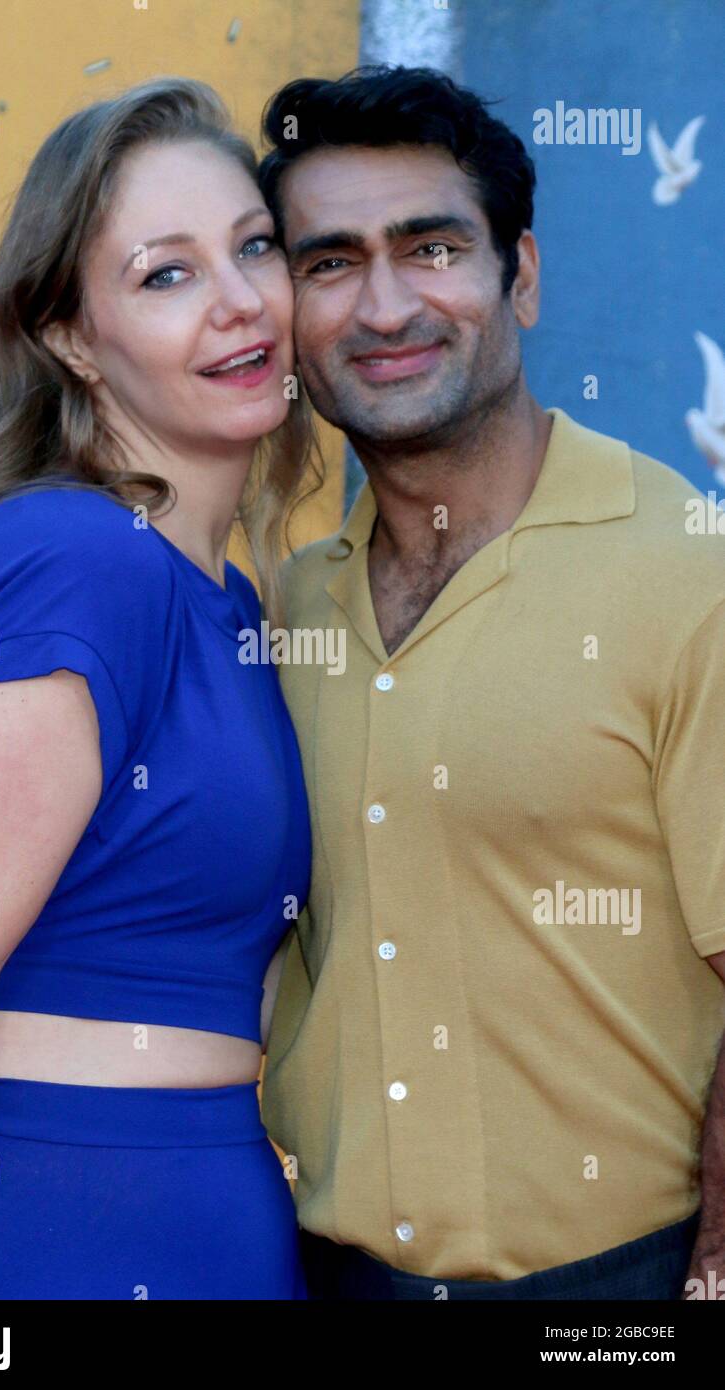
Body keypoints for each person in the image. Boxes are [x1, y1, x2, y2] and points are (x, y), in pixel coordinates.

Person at [257, 65, 725, 1300]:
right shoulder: (286, 608)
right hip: (326, 1276)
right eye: (328, 262)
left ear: (518, 275)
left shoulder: (686, 575)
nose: (385, 304)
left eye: (430, 248)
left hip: (618, 1288)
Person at [0, 77, 318, 1300]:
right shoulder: (74, 557)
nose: (236, 304)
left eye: (253, 248)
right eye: (164, 275)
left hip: (212, 1225)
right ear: (70, 337)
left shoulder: (227, 602)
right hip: (56, 1226)